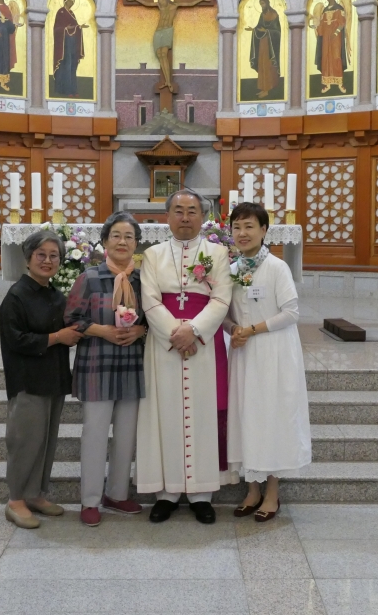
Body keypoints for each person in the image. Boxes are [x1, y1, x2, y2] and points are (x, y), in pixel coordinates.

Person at [137, 189, 235, 524]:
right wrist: (175, 334)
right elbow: (150, 300)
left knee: (203, 414)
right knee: (163, 413)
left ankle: (201, 494)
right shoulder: (152, 255)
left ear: (203, 217)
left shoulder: (217, 253)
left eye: (192, 211)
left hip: (204, 344)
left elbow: (221, 299)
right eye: (178, 210)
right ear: (167, 216)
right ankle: (165, 493)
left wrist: (193, 330)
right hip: (164, 346)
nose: (185, 217)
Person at [225, 202, 311, 522]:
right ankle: (252, 490)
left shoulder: (276, 267)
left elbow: (291, 312)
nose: (242, 233)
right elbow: (225, 313)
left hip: (274, 353)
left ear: (264, 230)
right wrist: (233, 329)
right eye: (237, 227)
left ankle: (272, 492)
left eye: (249, 226)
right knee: (247, 415)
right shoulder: (232, 270)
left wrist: (251, 329)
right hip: (244, 353)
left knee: (272, 417)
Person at [65, 212, 148, 527]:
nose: (122, 242)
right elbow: (72, 318)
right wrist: (103, 331)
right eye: (116, 235)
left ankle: (117, 493)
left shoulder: (142, 281)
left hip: (131, 365)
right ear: (104, 242)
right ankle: (90, 500)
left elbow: (151, 319)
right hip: (97, 364)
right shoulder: (89, 277)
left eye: (129, 237)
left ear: (136, 244)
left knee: (126, 435)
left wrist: (140, 330)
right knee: (95, 434)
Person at [0, 230, 83, 529]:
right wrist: (58, 337)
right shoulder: (16, 296)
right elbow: (16, 340)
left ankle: (35, 494)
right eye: (41, 255)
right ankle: (16, 500)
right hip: (28, 381)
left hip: (53, 379)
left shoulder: (55, 296)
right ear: (28, 258)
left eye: (54, 256)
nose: (48, 261)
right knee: (25, 442)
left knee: (46, 441)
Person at [125, 0, 211, 95]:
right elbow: (147, 3)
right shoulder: (160, 6)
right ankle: (166, 81)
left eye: (162, 2)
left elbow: (190, 3)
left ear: (167, 0)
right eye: (159, 2)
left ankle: (168, 81)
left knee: (164, 54)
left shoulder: (174, 6)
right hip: (158, 32)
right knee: (159, 54)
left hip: (167, 31)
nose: (161, 4)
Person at [245, 0, 282, 98]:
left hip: (270, 46)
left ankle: (268, 89)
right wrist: (253, 29)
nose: (262, 6)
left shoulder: (274, 14)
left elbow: (277, 31)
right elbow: (259, 26)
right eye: (261, 4)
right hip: (262, 43)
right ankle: (263, 88)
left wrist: (267, 31)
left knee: (268, 65)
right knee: (262, 64)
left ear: (268, 3)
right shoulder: (262, 15)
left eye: (263, 4)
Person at [51, 0, 87, 98]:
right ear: (65, 1)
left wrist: (79, 27)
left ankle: (74, 90)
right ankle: (67, 90)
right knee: (67, 65)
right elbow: (57, 28)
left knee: (73, 66)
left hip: (73, 42)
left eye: (73, 2)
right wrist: (66, 28)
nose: (71, 4)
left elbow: (74, 26)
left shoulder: (72, 13)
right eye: (70, 1)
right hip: (64, 43)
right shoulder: (61, 12)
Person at [313, 0, 348, 94]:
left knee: (336, 57)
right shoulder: (324, 10)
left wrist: (336, 32)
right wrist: (316, 27)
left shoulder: (339, 8)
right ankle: (327, 84)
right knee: (326, 58)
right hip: (326, 38)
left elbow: (342, 22)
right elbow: (322, 24)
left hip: (335, 37)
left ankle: (340, 83)